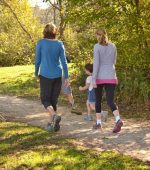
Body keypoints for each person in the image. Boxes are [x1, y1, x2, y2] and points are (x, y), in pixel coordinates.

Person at [35, 23, 69, 132]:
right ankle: (52, 125)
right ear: (55, 32)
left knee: (45, 99)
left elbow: (37, 61)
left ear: (45, 31)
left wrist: (36, 73)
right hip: (58, 75)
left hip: (45, 75)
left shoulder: (41, 43)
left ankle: (54, 116)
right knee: (53, 100)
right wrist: (66, 76)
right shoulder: (60, 44)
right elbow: (64, 62)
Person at [92, 28, 123, 133]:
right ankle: (118, 120)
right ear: (106, 34)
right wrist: (115, 76)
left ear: (97, 35)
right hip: (111, 75)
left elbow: (96, 64)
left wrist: (93, 79)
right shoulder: (113, 46)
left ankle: (99, 123)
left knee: (98, 100)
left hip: (100, 76)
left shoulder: (96, 47)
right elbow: (113, 62)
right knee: (110, 101)